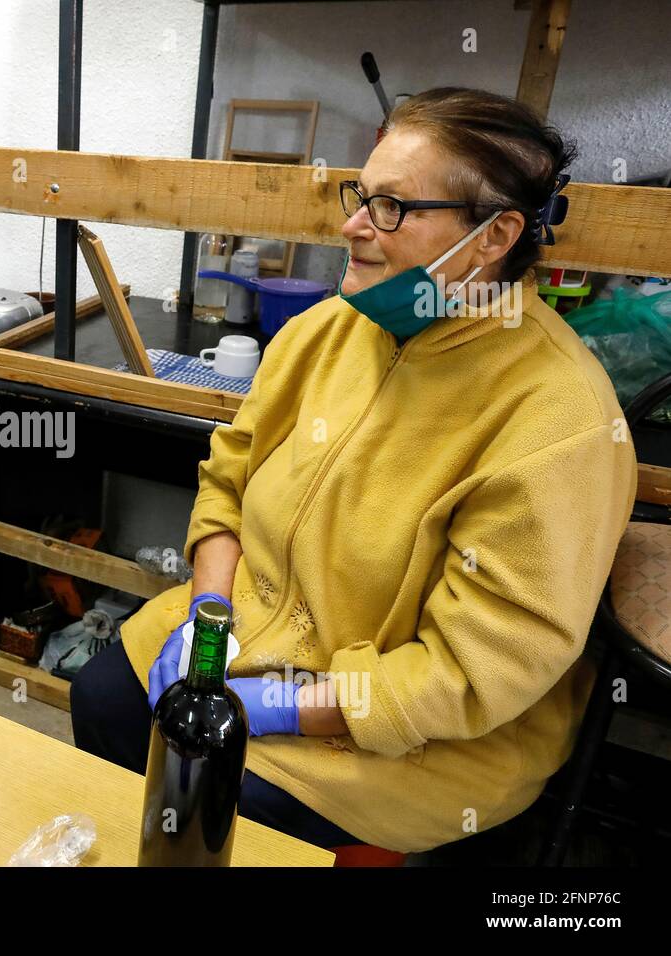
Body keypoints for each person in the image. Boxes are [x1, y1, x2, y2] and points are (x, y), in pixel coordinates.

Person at [71, 87, 637, 855]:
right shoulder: (326, 333)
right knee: (105, 699)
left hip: (406, 733)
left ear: (494, 235)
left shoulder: (557, 420)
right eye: (361, 196)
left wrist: (281, 704)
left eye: (394, 208)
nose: (352, 226)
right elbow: (228, 480)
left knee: (226, 792)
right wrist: (211, 619)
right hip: (249, 639)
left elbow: (473, 673)